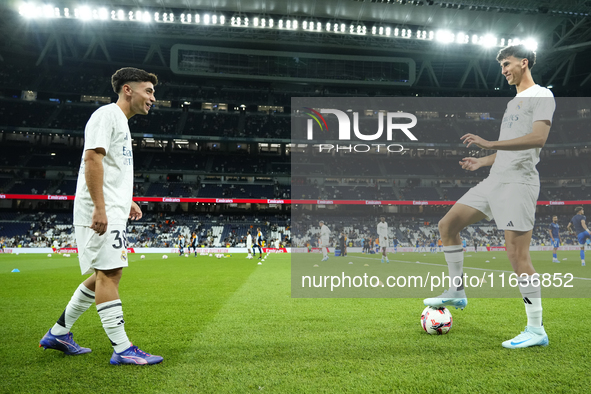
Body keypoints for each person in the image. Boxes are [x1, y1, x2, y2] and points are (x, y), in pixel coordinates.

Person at [423, 44, 555, 349]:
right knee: (448, 226)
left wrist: (488, 143)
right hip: (495, 180)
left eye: (507, 64)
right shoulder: (513, 103)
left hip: (519, 183)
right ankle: (457, 291)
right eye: (501, 66)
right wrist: (482, 161)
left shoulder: (542, 95)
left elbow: (538, 138)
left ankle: (536, 329)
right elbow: (510, 148)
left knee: (517, 256)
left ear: (524, 63)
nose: (504, 70)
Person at [39, 67, 163, 364]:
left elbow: (110, 168)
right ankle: (122, 349)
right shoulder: (107, 114)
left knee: (101, 274)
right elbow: (92, 158)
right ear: (127, 90)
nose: (153, 98)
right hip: (100, 208)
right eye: (148, 91)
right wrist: (100, 206)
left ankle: (58, 333)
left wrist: (126, 200)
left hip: (113, 206)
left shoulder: (120, 121)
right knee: (110, 273)